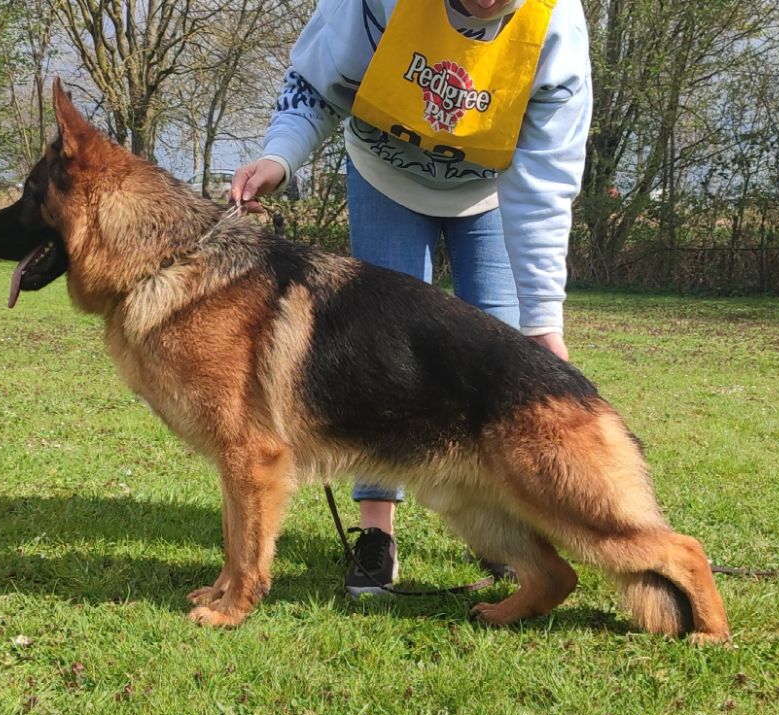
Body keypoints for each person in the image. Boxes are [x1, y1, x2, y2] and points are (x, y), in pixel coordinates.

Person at [231, 0, 592, 596]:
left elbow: (547, 183)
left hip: (493, 192)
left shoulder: (556, 25)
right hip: (385, 177)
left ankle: (508, 533)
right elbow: (316, 81)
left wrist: (542, 322)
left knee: (500, 364)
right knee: (376, 364)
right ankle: (377, 534)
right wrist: (279, 157)